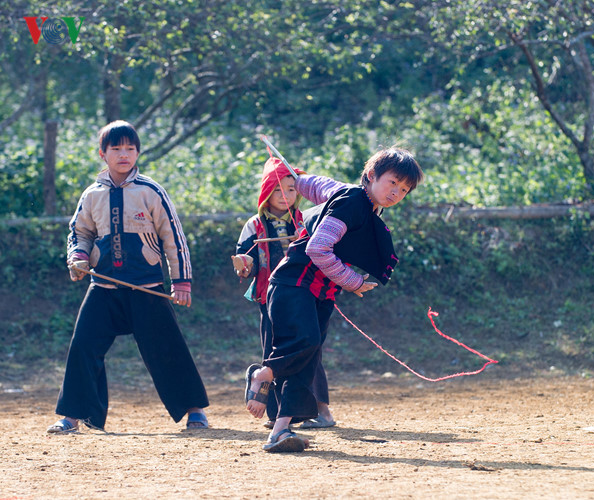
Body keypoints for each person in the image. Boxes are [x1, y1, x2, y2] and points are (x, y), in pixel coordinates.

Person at [244, 147, 424, 452]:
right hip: (294, 283)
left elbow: (317, 186)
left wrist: (297, 178)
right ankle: (262, 373)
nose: (397, 192)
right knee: (305, 343)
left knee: (309, 358)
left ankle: (280, 431)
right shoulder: (353, 202)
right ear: (371, 176)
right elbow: (318, 248)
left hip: (322, 292)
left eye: (404, 189)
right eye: (393, 182)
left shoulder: (353, 198)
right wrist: (353, 281)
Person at [47, 120, 210, 433]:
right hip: (104, 287)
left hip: (146, 287)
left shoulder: (151, 192)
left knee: (167, 348)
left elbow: (173, 237)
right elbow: (79, 232)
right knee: (83, 346)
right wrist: (78, 256)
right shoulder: (92, 195)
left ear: (138, 152)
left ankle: (195, 411)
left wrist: (181, 282)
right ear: (102, 154)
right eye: (116, 148)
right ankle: (73, 417)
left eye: (130, 148)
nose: (124, 154)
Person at [233, 157, 335, 430]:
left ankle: (321, 410)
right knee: (274, 353)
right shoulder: (254, 225)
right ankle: (279, 414)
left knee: (308, 349)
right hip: (270, 298)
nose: (286, 195)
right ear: (267, 191)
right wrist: (244, 265)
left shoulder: (306, 219)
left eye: (292, 189)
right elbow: (247, 259)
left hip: (306, 295)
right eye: (278, 189)